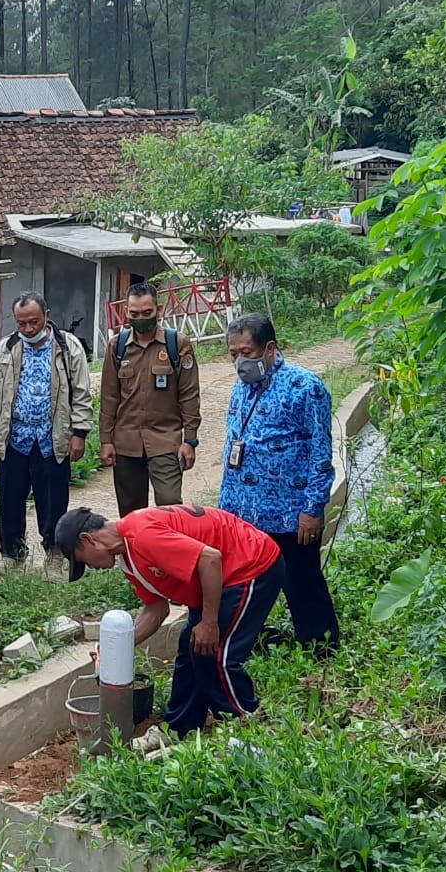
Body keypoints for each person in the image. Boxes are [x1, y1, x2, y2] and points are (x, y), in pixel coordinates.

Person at [54, 504, 285, 737]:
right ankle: (178, 729)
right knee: (190, 648)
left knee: (215, 655)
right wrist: (115, 649)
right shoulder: (128, 556)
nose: (90, 568)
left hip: (249, 565)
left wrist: (209, 623)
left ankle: (249, 726)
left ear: (88, 539)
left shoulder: (143, 535)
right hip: (216, 579)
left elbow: (211, 559)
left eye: (83, 560)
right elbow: (156, 610)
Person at [219, 313, 339, 654]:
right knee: (246, 584)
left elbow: (320, 453)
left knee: (302, 582)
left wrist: (312, 509)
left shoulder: (305, 387)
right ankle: (252, 642)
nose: (240, 361)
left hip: (289, 515)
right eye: (233, 354)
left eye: (247, 352)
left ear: (270, 348)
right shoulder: (242, 387)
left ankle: (321, 649)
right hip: (243, 511)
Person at [0, 291, 92, 577]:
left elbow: (81, 393)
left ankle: (54, 555)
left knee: (53, 499)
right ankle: (12, 554)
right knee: (10, 498)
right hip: (14, 437)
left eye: (34, 322)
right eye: (22, 323)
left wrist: (79, 432)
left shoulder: (68, 347)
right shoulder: (5, 349)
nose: (28, 329)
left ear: (47, 316)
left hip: (52, 438)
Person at [99, 282, 202, 518]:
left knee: (170, 506)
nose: (141, 318)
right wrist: (106, 440)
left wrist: (190, 440)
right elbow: (109, 398)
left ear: (159, 309)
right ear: (126, 312)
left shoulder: (178, 344)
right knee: (131, 512)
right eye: (134, 314)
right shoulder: (117, 347)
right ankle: (135, 555)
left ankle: (169, 554)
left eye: (147, 313)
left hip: (166, 440)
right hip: (126, 443)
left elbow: (189, 395)